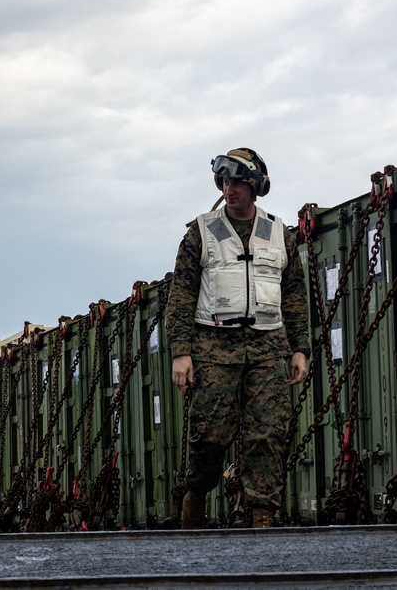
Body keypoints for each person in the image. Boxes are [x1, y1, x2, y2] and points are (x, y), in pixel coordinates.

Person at [166, 148, 310, 529]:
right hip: (214, 351)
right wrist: (181, 352)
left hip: (268, 348)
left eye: (238, 183)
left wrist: (300, 347)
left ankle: (262, 516)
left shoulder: (279, 233)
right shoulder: (201, 232)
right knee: (209, 438)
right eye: (225, 182)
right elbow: (180, 295)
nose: (230, 190)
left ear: (256, 187)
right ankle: (195, 496)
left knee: (268, 433)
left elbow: (294, 292)